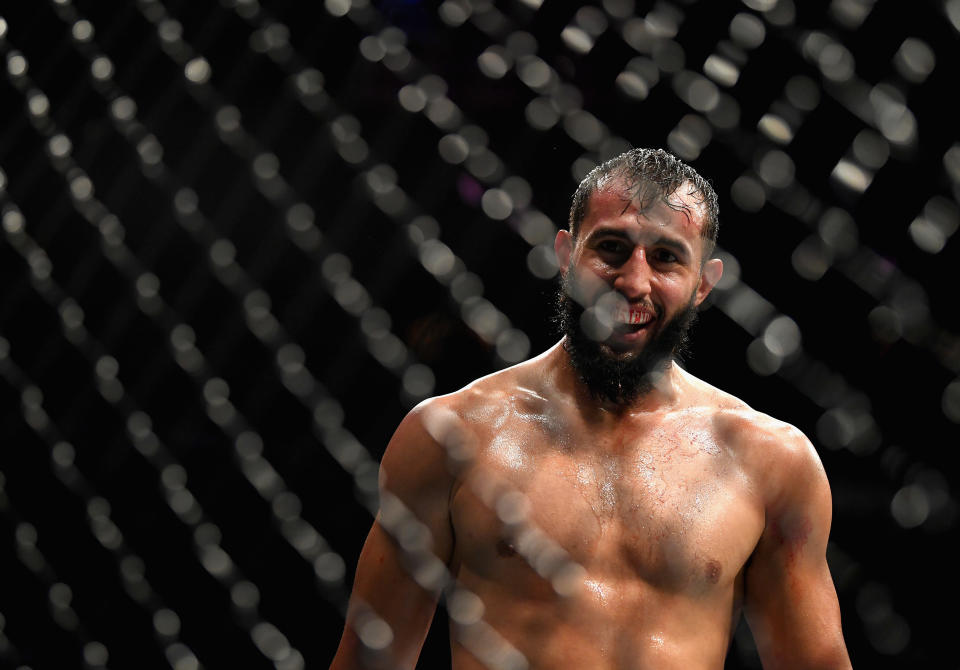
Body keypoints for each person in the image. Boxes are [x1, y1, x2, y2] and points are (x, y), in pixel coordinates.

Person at [330, 148, 853, 669]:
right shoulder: (450, 436)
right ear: (566, 255)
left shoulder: (768, 462)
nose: (634, 282)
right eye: (611, 248)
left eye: (667, 257)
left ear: (704, 283)